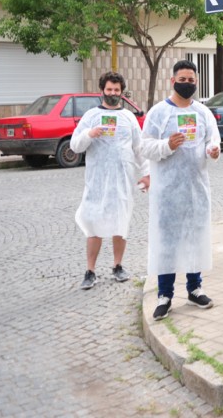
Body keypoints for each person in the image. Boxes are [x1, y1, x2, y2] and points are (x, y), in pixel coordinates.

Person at [140, 60, 221, 321]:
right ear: (172, 81)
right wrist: (167, 145)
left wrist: (213, 150)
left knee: (194, 239)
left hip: (196, 189)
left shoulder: (203, 112)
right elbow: (144, 147)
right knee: (168, 242)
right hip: (167, 192)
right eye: (183, 80)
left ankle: (195, 288)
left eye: (191, 80)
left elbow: (212, 139)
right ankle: (164, 295)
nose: (188, 84)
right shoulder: (158, 113)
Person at [71, 71, 150, 290]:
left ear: (122, 92)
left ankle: (118, 266)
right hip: (96, 181)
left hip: (122, 180)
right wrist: (90, 134)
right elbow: (75, 146)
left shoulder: (129, 118)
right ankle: (90, 270)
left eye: (117, 90)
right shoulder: (91, 116)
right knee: (93, 224)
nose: (113, 93)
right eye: (109, 89)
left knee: (120, 223)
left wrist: (147, 172)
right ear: (102, 91)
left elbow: (139, 148)